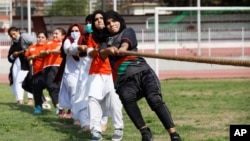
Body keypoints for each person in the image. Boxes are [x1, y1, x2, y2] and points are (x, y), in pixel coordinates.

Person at [99, 10, 182, 141]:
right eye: (108, 23)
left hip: (143, 73)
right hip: (124, 80)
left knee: (154, 100)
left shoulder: (128, 31)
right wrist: (108, 50)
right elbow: (102, 53)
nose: (111, 24)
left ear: (119, 21)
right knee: (127, 98)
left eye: (114, 21)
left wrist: (122, 49)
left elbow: (127, 42)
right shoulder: (104, 41)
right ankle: (145, 132)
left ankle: (173, 134)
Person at [86, 10, 124, 141]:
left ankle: (118, 128)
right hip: (95, 72)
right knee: (93, 101)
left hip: (112, 72)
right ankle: (96, 131)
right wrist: (99, 50)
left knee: (114, 100)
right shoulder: (91, 37)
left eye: (101, 18)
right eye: (96, 19)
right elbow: (90, 54)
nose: (99, 21)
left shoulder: (113, 34)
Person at [56, 23, 88, 120]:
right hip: (70, 72)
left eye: (77, 31)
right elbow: (68, 50)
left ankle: (83, 116)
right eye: (72, 31)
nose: (74, 33)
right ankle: (77, 117)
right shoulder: (67, 40)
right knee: (74, 91)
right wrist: (78, 46)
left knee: (83, 94)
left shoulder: (85, 40)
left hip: (83, 72)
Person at [39, 27, 66, 115]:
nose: (54, 35)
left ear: (63, 36)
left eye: (56, 33)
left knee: (62, 88)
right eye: (54, 33)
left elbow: (58, 51)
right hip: (48, 67)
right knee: (51, 87)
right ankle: (59, 108)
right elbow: (41, 53)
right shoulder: (48, 43)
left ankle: (67, 109)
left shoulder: (64, 43)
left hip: (60, 67)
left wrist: (50, 51)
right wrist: (46, 52)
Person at [24, 31, 51, 114]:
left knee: (53, 89)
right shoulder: (32, 47)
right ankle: (38, 106)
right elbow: (26, 57)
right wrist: (30, 57)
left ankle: (59, 107)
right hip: (36, 72)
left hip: (48, 71)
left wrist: (40, 55)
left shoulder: (48, 46)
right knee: (36, 89)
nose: (40, 39)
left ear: (46, 39)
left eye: (42, 37)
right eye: (39, 37)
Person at [7, 26, 34, 105]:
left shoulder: (25, 40)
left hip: (27, 64)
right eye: (11, 35)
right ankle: (20, 100)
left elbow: (30, 49)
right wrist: (13, 56)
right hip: (16, 66)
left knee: (28, 80)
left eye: (14, 34)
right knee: (17, 81)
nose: (13, 36)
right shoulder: (13, 44)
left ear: (18, 31)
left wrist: (19, 53)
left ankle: (30, 99)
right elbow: (9, 57)